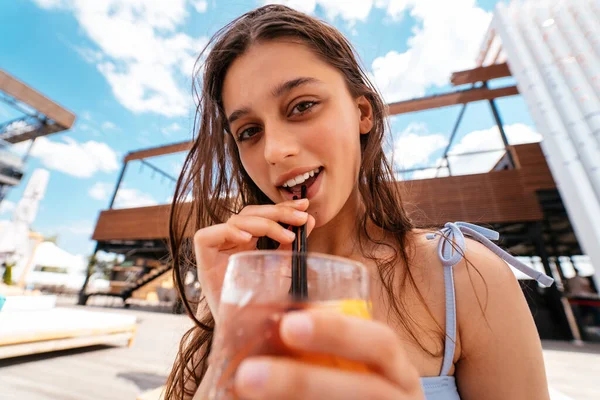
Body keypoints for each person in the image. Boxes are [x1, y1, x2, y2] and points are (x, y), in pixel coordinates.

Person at [166, 5, 552, 400]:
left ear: (362, 112)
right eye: (249, 131)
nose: (274, 152)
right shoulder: (241, 287)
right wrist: (232, 336)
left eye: (302, 106)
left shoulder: (466, 276)